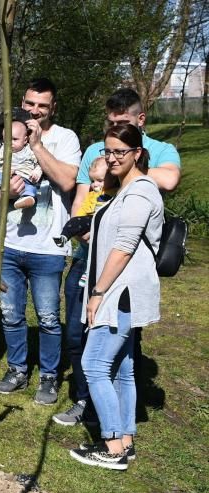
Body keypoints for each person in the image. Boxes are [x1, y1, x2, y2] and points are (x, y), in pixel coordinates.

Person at [54, 87, 181, 427]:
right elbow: (83, 199)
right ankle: (88, 404)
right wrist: (85, 224)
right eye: (109, 126)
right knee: (77, 336)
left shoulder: (150, 162)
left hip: (121, 271)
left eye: (122, 126)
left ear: (140, 122)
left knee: (121, 348)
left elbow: (169, 178)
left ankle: (114, 424)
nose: (110, 149)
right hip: (88, 258)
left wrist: (123, 168)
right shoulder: (96, 151)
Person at [68, 124, 163, 471]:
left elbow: (123, 249)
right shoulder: (124, 189)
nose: (112, 158)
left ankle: (111, 447)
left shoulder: (139, 191)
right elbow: (115, 241)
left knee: (94, 364)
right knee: (123, 368)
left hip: (120, 291)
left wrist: (97, 292)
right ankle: (124, 440)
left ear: (137, 153)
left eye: (120, 152)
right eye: (107, 151)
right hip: (120, 287)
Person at [0, 78, 80, 405]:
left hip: (48, 246)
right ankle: (17, 369)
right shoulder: (7, 135)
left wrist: (37, 145)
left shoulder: (65, 138)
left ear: (52, 108)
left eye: (42, 106)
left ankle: (49, 375)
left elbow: (67, 180)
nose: (35, 111)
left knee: (47, 316)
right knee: (11, 312)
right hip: (10, 242)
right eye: (30, 104)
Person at [0, 109, 41, 209]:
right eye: (7, 139)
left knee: (31, 187)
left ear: (25, 140)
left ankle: (27, 198)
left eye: (14, 139)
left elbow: (38, 165)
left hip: (25, 177)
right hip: (5, 176)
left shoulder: (30, 151)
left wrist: (36, 173)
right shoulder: (3, 149)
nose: (10, 143)